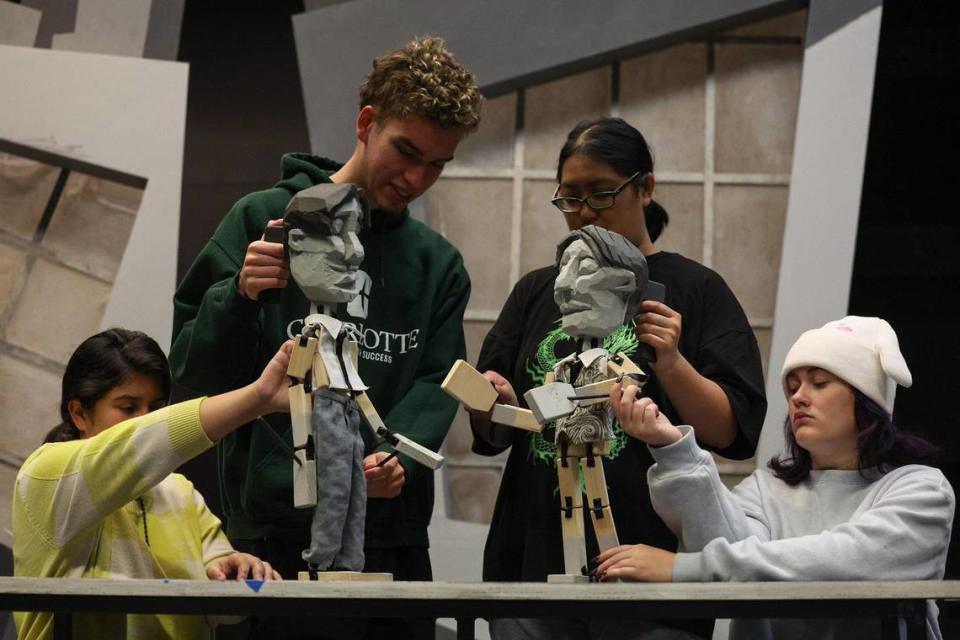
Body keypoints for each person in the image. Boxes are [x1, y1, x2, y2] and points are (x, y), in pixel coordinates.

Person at [169, 36, 482, 638]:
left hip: (391, 544)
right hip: (268, 542)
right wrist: (238, 295)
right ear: (367, 123)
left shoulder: (437, 264)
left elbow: (438, 381)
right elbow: (191, 377)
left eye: (437, 164)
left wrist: (400, 461)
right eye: (406, 151)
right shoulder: (259, 219)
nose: (417, 178)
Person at [470, 116, 766, 639]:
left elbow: (733, 432)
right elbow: (492, 433)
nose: (583, 212)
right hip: (534, 563)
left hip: (648, 573)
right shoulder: (538, 291)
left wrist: (671, 362)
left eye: (601, 194)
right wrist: (495, 401)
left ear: (645, 187)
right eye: (569, 197)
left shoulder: (695, 289)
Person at [602, 316, 954, 639]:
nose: (799, 397)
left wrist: (682, 568)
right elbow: (727, 562)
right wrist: (674, 446)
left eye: (819, 383)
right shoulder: (764, 490)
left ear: (867, 401)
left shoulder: (921, 490)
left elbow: (845, 561)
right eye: (793, 386)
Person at [13, 328, 290, 640]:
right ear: (79, 413)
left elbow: (223, 612)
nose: (143, 419)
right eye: (128, 407)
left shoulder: (182, 492)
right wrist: (258, 397)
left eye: (156, 409)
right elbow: (142, 442)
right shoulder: (46, 475)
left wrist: (237, 571)